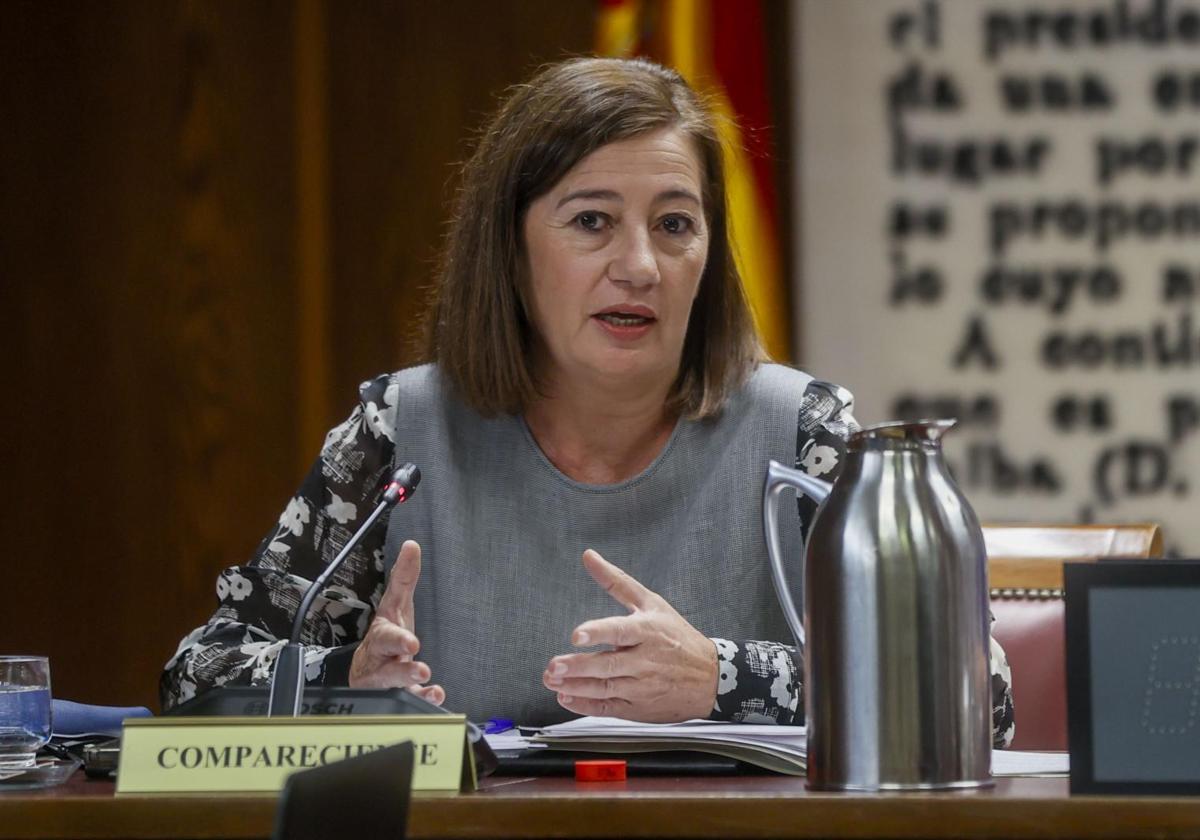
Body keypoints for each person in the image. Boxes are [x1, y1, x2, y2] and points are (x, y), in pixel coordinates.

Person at [161, 57, 1015, 745]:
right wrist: (344, 680)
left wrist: (721, 679)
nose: (640, 265)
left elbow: (981, 692)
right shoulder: (398, 436)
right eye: (592, 221)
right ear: (511, 250)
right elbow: (197, 674)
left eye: (676, 224)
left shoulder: (802, 432)